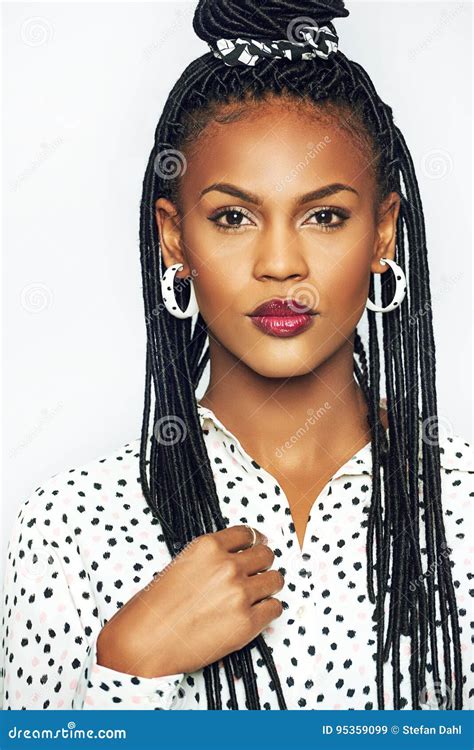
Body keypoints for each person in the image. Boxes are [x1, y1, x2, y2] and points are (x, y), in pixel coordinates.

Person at [1, 0, 472, 711]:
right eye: (232, 217)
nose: (280, 264)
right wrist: (130, 667)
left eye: (324, 216)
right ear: (173, 239)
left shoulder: (464, 506)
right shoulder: (69, 529)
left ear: (382, 235)